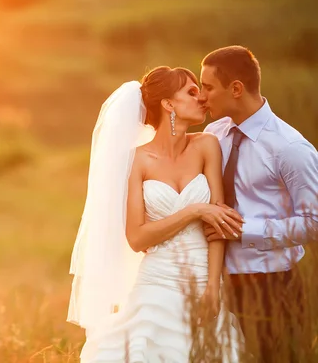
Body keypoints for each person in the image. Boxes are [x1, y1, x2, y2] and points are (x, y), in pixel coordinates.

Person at [68, 66, 244, 362]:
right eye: (191, 92)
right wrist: (193, 210)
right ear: (168, 104)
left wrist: (214, 286)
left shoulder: (206, 145)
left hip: (204, 279)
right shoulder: (137, 161)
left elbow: (219, 224)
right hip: (155, 283)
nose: (201, 98)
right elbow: (137, 238)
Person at [200, 45, 318, 362]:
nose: (201, 96)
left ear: (236, 89)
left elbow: (314, 222)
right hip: (217, 285)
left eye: (208, 87)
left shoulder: (290, 147)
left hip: (272, 288)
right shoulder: (213, 133)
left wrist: (244, 230)